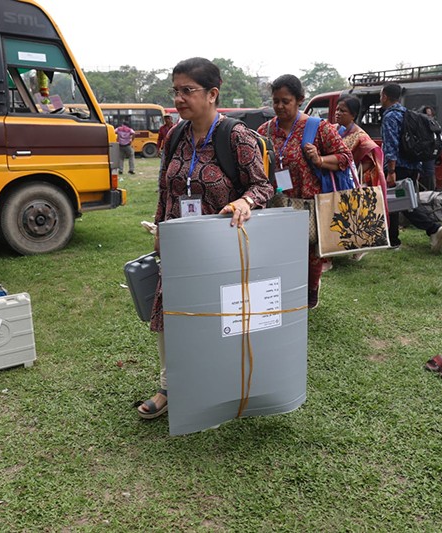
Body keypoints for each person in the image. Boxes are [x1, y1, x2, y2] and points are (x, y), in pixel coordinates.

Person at [136, 57, 274, 419]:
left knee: (220, 317)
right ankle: (169, 386)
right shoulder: (174, 136)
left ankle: (220, 385)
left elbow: (263, 186)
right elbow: (165, 189)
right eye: (175, 90)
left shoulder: (237, 136)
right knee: (172, 314)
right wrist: (159, 230)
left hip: (222, 248)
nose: (179, 98)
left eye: (187, 90)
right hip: (181, 245)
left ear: (213, 94)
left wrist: (245, 201)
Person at [257, 74, 354, 307]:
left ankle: (311, 289)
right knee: (278, 250)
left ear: (299, 100)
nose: (279, 106)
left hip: (308, 201)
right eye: (275, 101)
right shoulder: (265, 130)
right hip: (276, 200)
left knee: (310, 251)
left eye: (285, 101)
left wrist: (319, 159)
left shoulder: (317, 127)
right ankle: (283, 291)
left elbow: (345, 157)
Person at [379, 84, 442, 253]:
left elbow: (391, 144)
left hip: (398, 167)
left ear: (385, 96)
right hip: (413, 165)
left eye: (381, 96)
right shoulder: (408, 114)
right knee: (398, 202)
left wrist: (391, 171)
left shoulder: (390, 117)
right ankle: (393, 240)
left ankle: (432, 228)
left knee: (400, 203)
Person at [335, 95, 387, 214]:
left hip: (349, 182)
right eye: (337, 109)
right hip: (333, 180)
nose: (338, 113)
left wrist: (349, 173)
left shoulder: (361, 137)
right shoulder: (332, 129)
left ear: (353, 115)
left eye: (343, 111)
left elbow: (370, 162)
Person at [417, 105, 437, 192]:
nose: (428, 117)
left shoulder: (435, 128)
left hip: (429, 168)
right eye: (426, 115)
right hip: (421, 168)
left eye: (430, 115)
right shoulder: (417, 129)